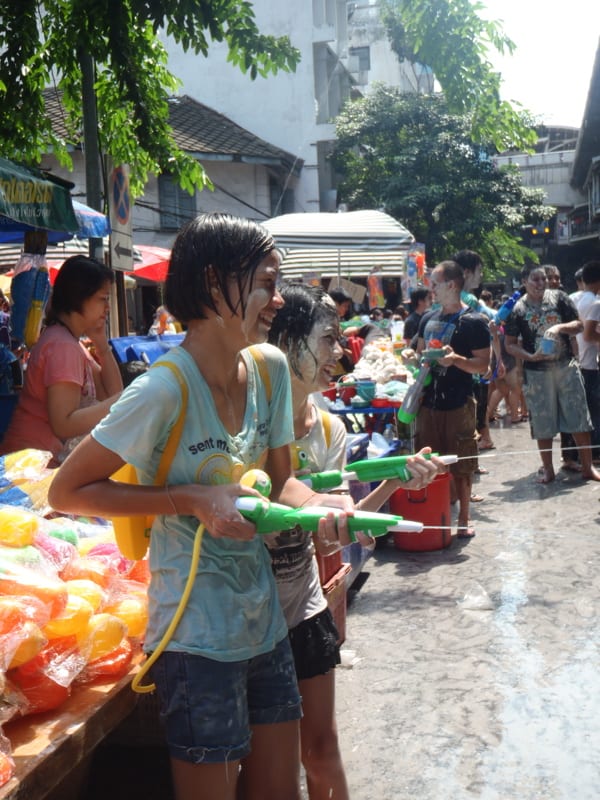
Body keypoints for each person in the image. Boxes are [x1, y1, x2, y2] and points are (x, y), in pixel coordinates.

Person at [48, 213, 359, 800]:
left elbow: (282, 482)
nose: (275, 301)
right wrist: (193, 499)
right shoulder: (163, 388)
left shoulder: (268, 370)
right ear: (216, 284)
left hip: (264, 625)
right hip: (195, 641)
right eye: (266, 283)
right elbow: (68, 490)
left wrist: (321, 502)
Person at [267, 281, 440, 800]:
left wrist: (395, 479)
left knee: (321, 752)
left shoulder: (326, 428)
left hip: (305, 608)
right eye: (328, 340)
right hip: (251, 619)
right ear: (286, 342)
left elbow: (338, 533)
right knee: (269, 772)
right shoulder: (244, 423)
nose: (341, 353)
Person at [0, 256, 123, 465]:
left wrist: (102, 345)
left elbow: (110, 393)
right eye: (103, 299)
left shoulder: (71, 342)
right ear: (79, 298)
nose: (108, 307)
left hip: (39, 462)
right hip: (29, 466)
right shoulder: (63, 346)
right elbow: (63, 424)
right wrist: (124, 401)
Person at [415, 260, 491, 538]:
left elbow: (483, 364)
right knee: (429, 462)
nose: (430, 288)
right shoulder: (427, 319)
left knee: (462, 463)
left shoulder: (473, 321)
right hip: (428, 402)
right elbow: (420, 351)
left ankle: (464, 520)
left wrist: (456, 359)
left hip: (459, 402)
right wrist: (411, 357)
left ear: (451, 285)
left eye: (435, 283)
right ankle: (437, 514)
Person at [504, 263, 600, 484]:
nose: (541, 283)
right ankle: (548, 469)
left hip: (566, 366)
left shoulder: (559, 298)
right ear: (524, 282)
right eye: (535, 279)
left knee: (579, 418)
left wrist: (559, 328)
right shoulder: (517, 309)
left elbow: (578, 325)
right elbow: (510, 344)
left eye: (543, 279)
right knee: (542, 422)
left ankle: (587, 468)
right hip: (537, 373)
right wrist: (530, 357)